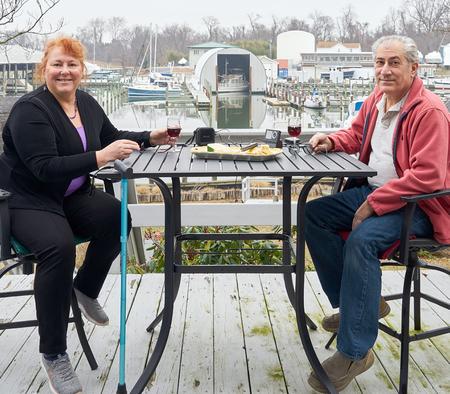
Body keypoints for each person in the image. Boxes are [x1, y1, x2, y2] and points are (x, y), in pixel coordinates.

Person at [0, 37, 176, 394]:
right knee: (59, 247)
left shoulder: (87, 103)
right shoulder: (30, 110)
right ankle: (54, 354)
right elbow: (44, 168)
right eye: (57, 64)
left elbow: (111, 137)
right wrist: (100, 157)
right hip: (27, 199)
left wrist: (149, 137)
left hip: (71, 195)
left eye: (72, 64)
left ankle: (84, 288)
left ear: (82, 70)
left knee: (118, 217)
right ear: (44, 69)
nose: (65, 71)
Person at [305, 35, 449, 392]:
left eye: (394, 62)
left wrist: (376, 203)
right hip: (374, 193)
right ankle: (358, 306)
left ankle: (355, 352)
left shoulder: (429, 111)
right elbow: (355, 135)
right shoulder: (377, 100)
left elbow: (429, 176)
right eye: (379, 62)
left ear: (414, 68)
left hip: (417, 206)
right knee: (312, 215)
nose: (384, 70)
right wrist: (332, 140)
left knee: (361, 240)